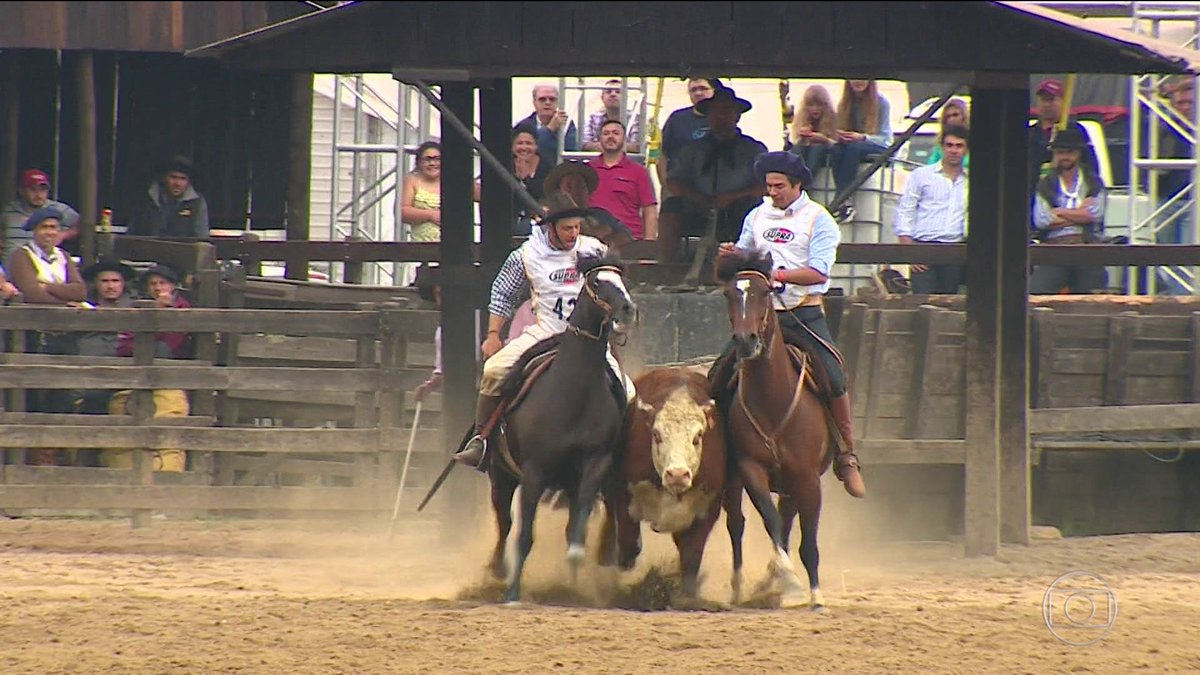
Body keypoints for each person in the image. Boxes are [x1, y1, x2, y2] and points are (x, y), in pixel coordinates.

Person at [711, 151, 865, 498]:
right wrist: (731, 255)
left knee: (834, 373)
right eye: (768, 186)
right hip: (760, 314)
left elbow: (820, 271)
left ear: (797, 185)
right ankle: (718, 450)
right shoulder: (757, 215)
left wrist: (778, 275)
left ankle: (846, 454)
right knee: (719, 373)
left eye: (779, 186)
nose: (773, 192)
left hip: (801, 312)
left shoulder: (819, 220)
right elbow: (744, 254)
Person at [452, 194, 635, 468]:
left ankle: (624, 453)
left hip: (589, 339)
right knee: (493, 372)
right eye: (566, 229)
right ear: (550, 227)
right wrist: (493, 335)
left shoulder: (594, 249)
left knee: (629, 392)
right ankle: (482, 440)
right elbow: (503, 294)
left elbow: (614, 288)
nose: (573, 234)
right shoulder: (526, 255)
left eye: (576, 227)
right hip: (545, 333)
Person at [661, 84, 767, 262]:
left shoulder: (754, 149)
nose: (720, 116)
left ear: (737, 115)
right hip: (699, 207)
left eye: (726, 110)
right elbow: (674, 181)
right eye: (715, 111)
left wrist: (733, 197)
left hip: (740, 210)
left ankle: (751, 263)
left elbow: (766, 185)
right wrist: (696, 197)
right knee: (671, 206)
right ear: (708, 116)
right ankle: (666, 265)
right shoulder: (692, 150)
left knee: (757, 210)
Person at [105, 263, 192, 472]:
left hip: (171, 373)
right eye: (153, 283)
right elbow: (124, 345)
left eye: (163, 283)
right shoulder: (140, 308)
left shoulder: (182, 309)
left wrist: (162, 314)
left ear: (173, 286)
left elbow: (172, 343)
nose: (157, 288)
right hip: (135, 373)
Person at [893, 125, 970, 294]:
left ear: (966, 149)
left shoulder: (970, 180)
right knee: (922, 304)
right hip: (923, 247)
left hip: (954, 249)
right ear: (941, 147)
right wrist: (910, 252)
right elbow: (905, 211)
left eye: (959, 146)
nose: (954, 150)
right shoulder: (921, 175)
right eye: (949, 145)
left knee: (948, 304)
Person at [1030, 128, 1107, 294]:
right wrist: (1078, 213)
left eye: (1069, 152)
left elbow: (1094, 214)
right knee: (1035, 292)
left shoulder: (1094, 181)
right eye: (1060, 152)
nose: (1064, 157)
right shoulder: (1045, 183)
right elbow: (1042, 220)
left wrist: (1059, 212)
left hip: (1087, 245)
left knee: (1092, 293)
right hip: (1054, 247)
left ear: (1079, 153)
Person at [657, 78, 718, 256]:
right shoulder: (677, 119)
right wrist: (666, 186)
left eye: (703, 88)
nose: (698, 93)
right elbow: (663, 154)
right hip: (679, 189)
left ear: (714, 91)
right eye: (693, 90)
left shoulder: (720, 119)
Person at [828, 79, 894, 224]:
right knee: (837, 149)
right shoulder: (845, 104)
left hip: (879, 146)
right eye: (854, 78)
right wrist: (841, 135)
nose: (858, 81)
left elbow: (886, 139)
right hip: (855, 145)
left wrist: (863, 137)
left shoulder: (881, 102)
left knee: (853, 148)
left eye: (863, 78)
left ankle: (842, 198)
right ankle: (845, 202)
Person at [1027, 79, 1099, 199]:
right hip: (1033, 196)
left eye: (1051, 100)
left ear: (1064, 102)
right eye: (1043, 100)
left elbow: (1091, 167)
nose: (1046, 104)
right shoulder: (1030, 133)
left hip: (1066, 196)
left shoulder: (1075, 131)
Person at [587, 119, 657, 240]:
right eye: (606, 133)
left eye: (616, 133)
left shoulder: (639, 172)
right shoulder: (586, 170)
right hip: (593, 240)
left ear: (624, 139)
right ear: (599, 139)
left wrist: (648, 248)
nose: (610, 136)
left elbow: (650, 211)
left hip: (630, 240)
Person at [542, 159, 633, 250]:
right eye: (569, 186)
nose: (575, 190)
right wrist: (595, 233)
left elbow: (626, 236)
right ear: (559, 191)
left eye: (580, 185)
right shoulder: (550, 219)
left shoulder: (601, 214)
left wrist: (599, 244)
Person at [2, 169, 80, 261]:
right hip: (8, 270)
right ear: (21, 191)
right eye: (33, 189)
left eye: (43, 189)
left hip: (42, 270)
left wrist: (64, 234)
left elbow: (83, 225)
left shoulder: (59, 209)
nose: (38, 194)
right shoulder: (9, 210)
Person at [130, 155, 210, 238]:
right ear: (164, 178)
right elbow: (132, 234)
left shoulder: (197, 203)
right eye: (173, 177)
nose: (177, 183)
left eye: (183, 179)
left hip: (183, 250)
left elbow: (202, 238)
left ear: (189, 181)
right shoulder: (146, 199)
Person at [507, 125, 553, 235]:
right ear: (512, 146)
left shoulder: (546, 166)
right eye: (519, 143)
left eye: (528, 143)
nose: (524, 147)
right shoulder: (506, 164)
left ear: (536, 146)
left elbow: (543, 195)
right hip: (511, 216)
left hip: (538, 216)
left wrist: (526, 179)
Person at [514, 83, 578, 160]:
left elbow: (571, 151)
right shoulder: (523, 125)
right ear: (534, 102)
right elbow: (526, 151)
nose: (547, 102)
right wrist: (549, 129)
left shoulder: (567, 124)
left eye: (552, 99)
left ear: (557, 102)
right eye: (542, 99)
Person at [580, 79, 642, 153]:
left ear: (626, 97)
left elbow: (637, 147)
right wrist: (619, 147)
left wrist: (604, 146)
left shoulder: (636, 118)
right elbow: (585, 145)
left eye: (618, 92)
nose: (613, 94)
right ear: (602, 98)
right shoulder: (592, 118)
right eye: (608, 92)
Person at [787, 85, 838, 174]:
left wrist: (824, 140)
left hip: (827, 151)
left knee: (817, 147)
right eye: (811, 105)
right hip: (806, 151)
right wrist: (803, 138)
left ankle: (807, 179)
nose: (815, 109)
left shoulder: (835, 118)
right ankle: (794, 178)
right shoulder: (800, 118)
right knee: (797, 148)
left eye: (819, 105)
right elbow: (795, 140)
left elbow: (838, 144)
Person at [401, 141, 442, 242]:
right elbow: (403, 212)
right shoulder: (412, 180)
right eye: (427, 159)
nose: (432, 163)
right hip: (420, 247)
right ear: (418, 162)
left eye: (437, 159)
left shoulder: (454, 182)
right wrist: (431, 215)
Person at [412, 266, 443, 403]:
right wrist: (430, 386)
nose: (440, 301)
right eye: (438, 295)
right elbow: (443, 370)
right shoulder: (443, 332)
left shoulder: (481, 319)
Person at [926, 98, 970, 168]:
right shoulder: (941, 144)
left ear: (964, 116)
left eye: (955, 115)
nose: (951, 119)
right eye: (948, 116)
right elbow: (931, 166)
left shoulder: (975, 139)